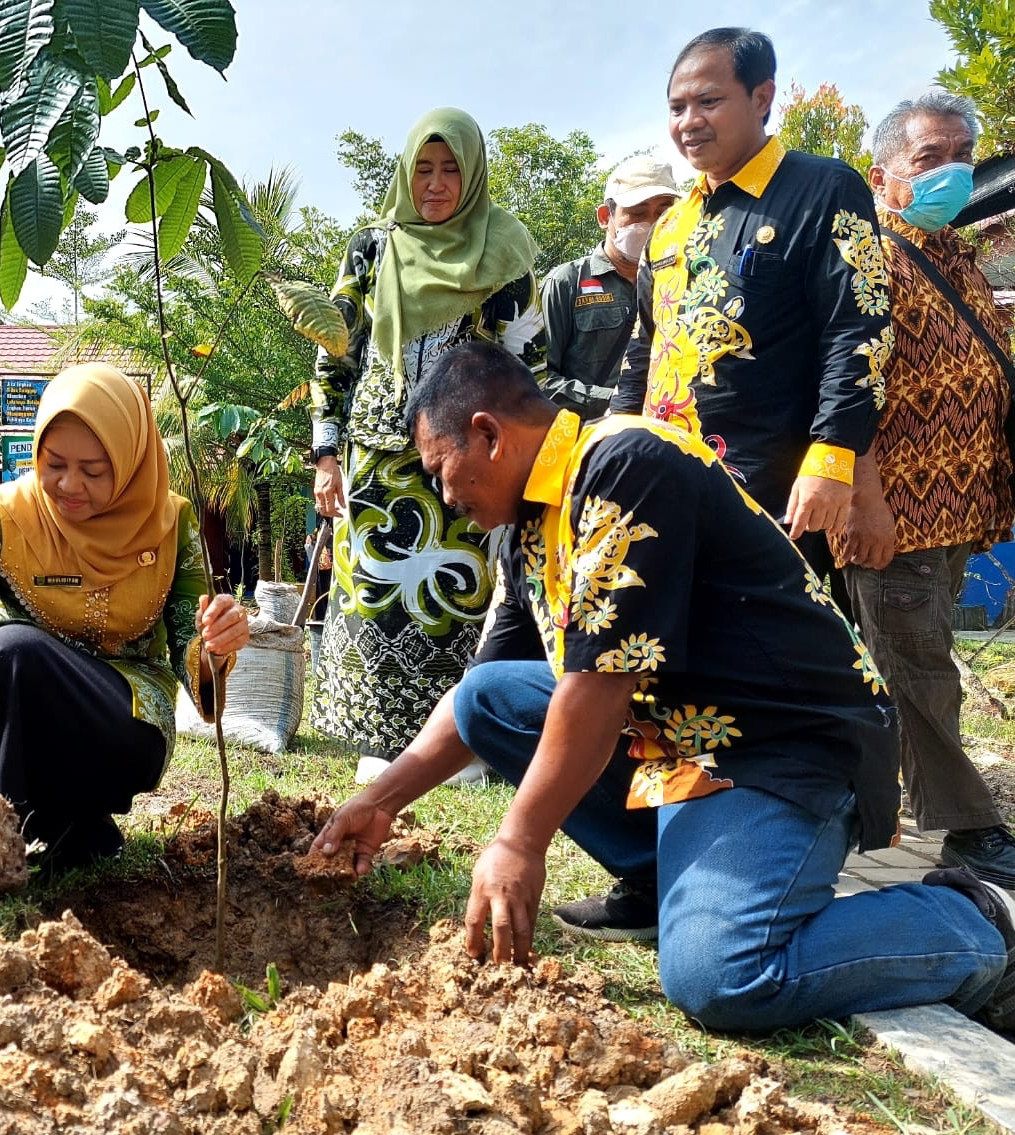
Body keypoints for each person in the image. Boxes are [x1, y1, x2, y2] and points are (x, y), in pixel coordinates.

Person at [313, 339, 1014, 1034]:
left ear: (488, 435)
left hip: (783, 749)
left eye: (441, 469)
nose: (444, 493)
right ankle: (665, 881)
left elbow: (600, 684)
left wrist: (519, 841)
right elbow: (478, 695)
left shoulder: (627, 463)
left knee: (722, 976)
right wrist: (380, 800)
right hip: (681, 747)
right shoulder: (526, 527)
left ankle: (973, 919)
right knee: (490, 697)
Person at [582, 26, 895, 940]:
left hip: (776, 497)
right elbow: (644, 354)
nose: (689, 121)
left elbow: (859, 330)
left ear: (765, 98)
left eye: (709, 100)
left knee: (765, 691)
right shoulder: (675, 224)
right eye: (677, 105)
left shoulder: (822, 191)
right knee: (657, 685)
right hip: (672, 500)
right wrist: (611, 442)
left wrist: (834, 462)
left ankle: (785, 869)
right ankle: (655, 881)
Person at [0, 363, 249, 869]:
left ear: (129, 461)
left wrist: (216, 643)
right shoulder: (2, 516)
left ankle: (64, 818)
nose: (68, 485)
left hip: (121, 723)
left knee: (22, 654)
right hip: (14, 693)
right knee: (11, 651)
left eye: (94, 470)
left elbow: (193, 636)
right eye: (53, 463)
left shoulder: (171, 523)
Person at [309, 106, 547, 785]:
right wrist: (327, 453)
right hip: (376, 462)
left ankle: (462, 743)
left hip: (466, 463)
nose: (436, 185)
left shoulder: (504, 253)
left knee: (458, 599)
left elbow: (528, 363)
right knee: (376, 601)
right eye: (423, 169)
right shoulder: (370, 249)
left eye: (450, 170)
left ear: (472, 175)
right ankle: (381, 741)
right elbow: (335, 353)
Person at [835, 92, 1015, 888]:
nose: (954, 172)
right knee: (917, 672)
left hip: (957, 509)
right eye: (930, 158)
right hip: (892, 515)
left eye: (963, 156)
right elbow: (843, 390)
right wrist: (864, 500)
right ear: (883, 175)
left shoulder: (959, 258)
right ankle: (969, 830)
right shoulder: (866, 257)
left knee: (911, 663)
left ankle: (865, 805)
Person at [540, 156, 682, 418]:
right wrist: (623, 402)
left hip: (667, 436)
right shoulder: (565, 283)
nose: (652, 224)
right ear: (606, 217)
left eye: (664, 212)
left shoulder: (682, 280)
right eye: (638, 213)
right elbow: (540, 381)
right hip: (591, 442)